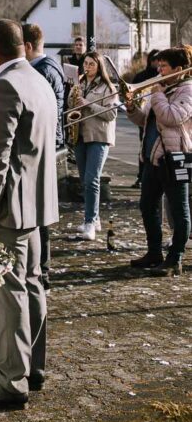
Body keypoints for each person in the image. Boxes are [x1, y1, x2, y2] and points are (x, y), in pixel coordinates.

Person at [0, 20, 58, 409]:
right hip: (37, 204)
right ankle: (30, 366)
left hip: (7, 210)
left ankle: (11, 380)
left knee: (8, 294)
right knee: (32, 284)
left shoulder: (4, 86)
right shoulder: (38, 79)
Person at [128, 47, 192, 276]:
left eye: (164, 66)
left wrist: (156, 94)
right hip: (152, 158)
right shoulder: (162, 89)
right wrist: (131, 108)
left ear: (178, 69)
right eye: (159, 65)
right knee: (147, 205)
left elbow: (172, 117)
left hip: (175, 158)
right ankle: (154, 252)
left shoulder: (188, 90)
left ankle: (175, 259)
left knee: (179, 210)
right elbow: (144, 119)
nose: (159, 70)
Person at [22, 23, 66, 290]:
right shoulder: (46, 67)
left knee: (40, 211)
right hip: (46, 142)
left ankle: (42, 270)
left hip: (44, 144)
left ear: (27, 46)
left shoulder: (43, 70)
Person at [67, 51, 117, 241]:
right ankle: (94, 218)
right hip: (80, 135)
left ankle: (90, 223)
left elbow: (111, 114)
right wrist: (73, 95)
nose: (87, 67)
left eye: (91, 64)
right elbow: (71, 106)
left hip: (99, 137)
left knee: (91, 180)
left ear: (99, 67)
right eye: (86, 64)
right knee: (85, 181)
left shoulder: (108, 87)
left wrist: (88, 103)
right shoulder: (80, 83)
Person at [131, 49, 160, 185]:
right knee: (144, 147)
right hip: (145, 115)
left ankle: (150, 178)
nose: (157, 63)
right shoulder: (141, 76)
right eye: (155, 60)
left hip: (158, 117)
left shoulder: (163, 77)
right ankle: (141, 177)